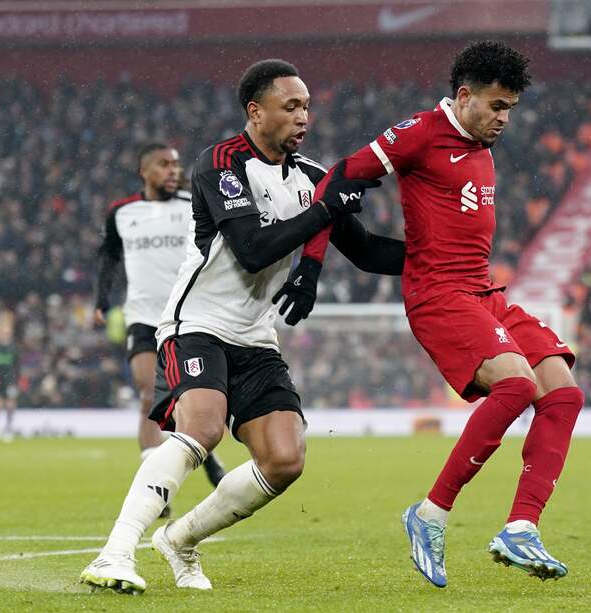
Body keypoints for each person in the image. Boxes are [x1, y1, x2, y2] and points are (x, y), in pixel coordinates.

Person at [80, 58, 402, 594]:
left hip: (255, 336)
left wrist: (445, 259)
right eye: (290, 106)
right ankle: (115, 553)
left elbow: (367, 252)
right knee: (203, 428)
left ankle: (180, 539)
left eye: (307, 107)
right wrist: (325, 212)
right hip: (196, 323)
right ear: (255, 111)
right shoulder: (220, 162)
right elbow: (252, 249)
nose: (303, 117)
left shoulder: (311, 177)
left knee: (284, 459)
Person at [275, 41, 584, 587]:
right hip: (438, 297)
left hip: (484, 293)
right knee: (515, 385)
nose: (504, 119)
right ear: (464, 96)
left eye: (510, 108)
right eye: (496, 106)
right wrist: (311, 265)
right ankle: (430, 514)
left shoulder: (480, 142)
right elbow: (337, 178)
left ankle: (521, 527)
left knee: (562, 392)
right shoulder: (420, 132)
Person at [94, 142, 227, 514]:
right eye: (164, 164)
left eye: (176, 164)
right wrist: (102, 301)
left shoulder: (192, 204)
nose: (173, 170)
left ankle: (206, 457)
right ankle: (153, 487)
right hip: (142, 317)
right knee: (149, 395)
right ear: (144, 171)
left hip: (188, 316)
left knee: (188, 398)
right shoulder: (122, 212)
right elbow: (108, 257)